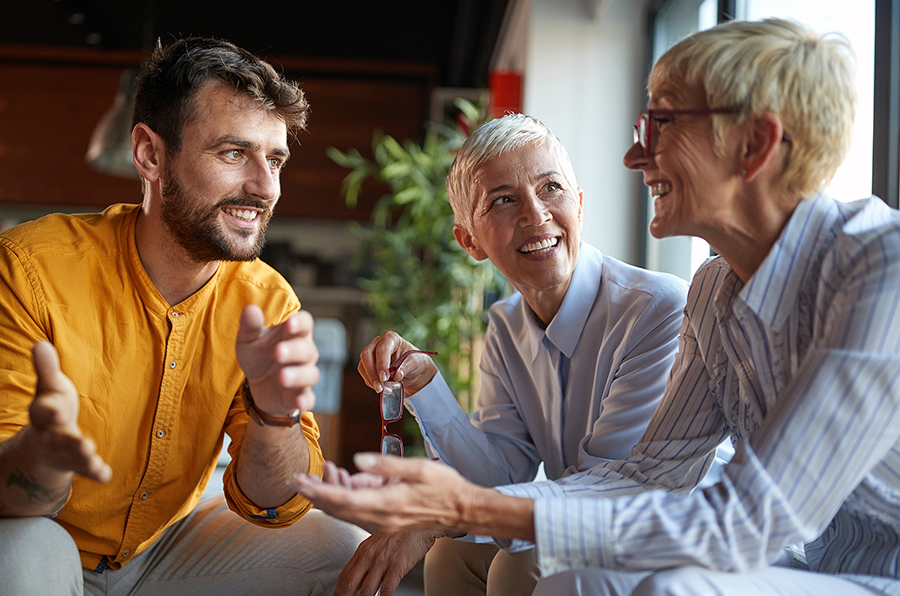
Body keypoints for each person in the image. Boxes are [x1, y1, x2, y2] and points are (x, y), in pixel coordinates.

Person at [293, 17, 900, 595]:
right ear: (470, 238)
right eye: (643, 129)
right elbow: (647, 474)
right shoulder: (716, 291)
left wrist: (460, 507)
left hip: (859, 567)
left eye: (661, 126)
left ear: (755, 144)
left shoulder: (881, 269)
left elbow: (746, 520)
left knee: (613, 580)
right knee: (572, 580)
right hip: (819, 564)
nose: (636, 157)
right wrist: (447, 504)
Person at [0, 37, 365, 595]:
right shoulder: (31, 269)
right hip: (47, 534)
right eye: (232, 153)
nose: (265, 188)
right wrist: (41, 456)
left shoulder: (267, 300)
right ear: (150, 155)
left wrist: (274, 416)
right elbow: (10, 497)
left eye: (275, 159)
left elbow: (276, 503)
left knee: (340, 548)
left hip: (160, 550)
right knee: (23, 549)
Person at [335, 113, 688, 596]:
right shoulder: (506, 325)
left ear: (579, 206)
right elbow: (501, 472)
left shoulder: (658, 310)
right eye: (503, 200)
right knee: (451, 556)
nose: (535, 214)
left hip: (675, 532)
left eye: (551, 188)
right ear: (470, 242)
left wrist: (441, 513)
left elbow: (612, 487)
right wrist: (425, 386)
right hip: (597, 525)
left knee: (520, 566)